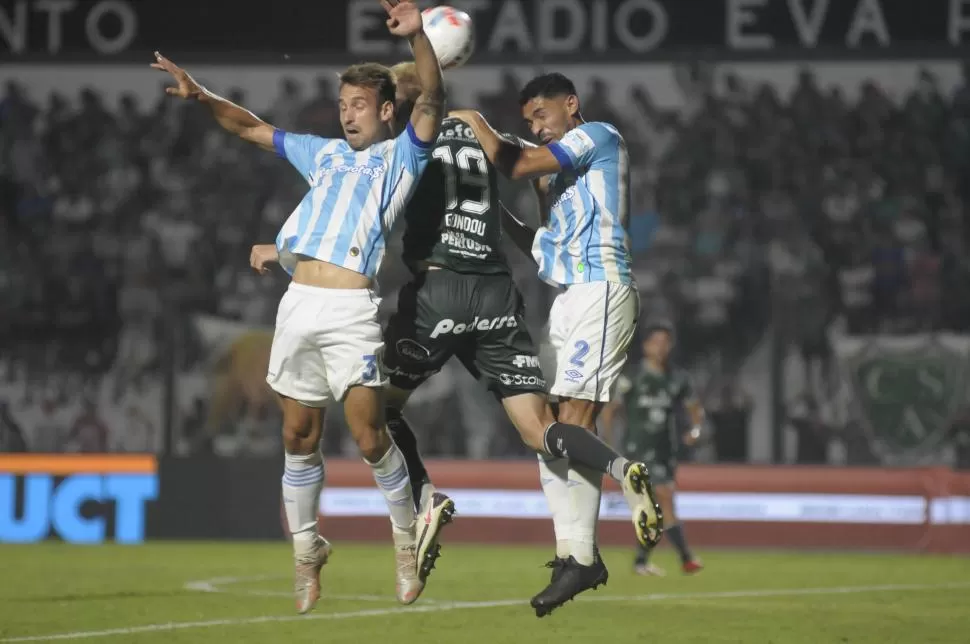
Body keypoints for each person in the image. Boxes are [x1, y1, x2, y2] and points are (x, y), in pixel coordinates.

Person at [152, 0, 446, 614]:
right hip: (298, 307)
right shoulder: (324, 154)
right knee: (296, 435)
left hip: (350, 311)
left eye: (359, 104)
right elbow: (250, 128)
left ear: (386, 110)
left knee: (369, 436)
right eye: (342, 104)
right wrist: (201, 95)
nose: (347, 114)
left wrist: (418, 37)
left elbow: (432, 97)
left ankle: (404, 540)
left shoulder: (402, 157)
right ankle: (308, 550)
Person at [450, 73, 661, 616]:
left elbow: (517, 162)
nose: (538, 127)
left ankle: (595, 528)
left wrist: (475, 122)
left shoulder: (599, 136)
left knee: (575, 416)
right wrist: (493, 213)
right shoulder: (555, 180)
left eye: (542, 115)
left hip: (602, 288)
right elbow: (543, 247)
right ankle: (574, 556)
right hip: (567, 298)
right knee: (545, 427)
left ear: (571, 104)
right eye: (530, 121)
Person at [602, 321, 704, 576]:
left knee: (653, 505)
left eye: (665, 343)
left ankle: (642, 561)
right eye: (656, 342)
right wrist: (608, 444)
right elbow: (610, 410)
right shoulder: (631, 377)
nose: (660, 348)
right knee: (663, 496)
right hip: (637, 449)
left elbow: (695, 410)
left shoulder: (678, 378)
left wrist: (695, 432)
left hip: (665, 450)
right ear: (646, 346)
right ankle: (686, 557)